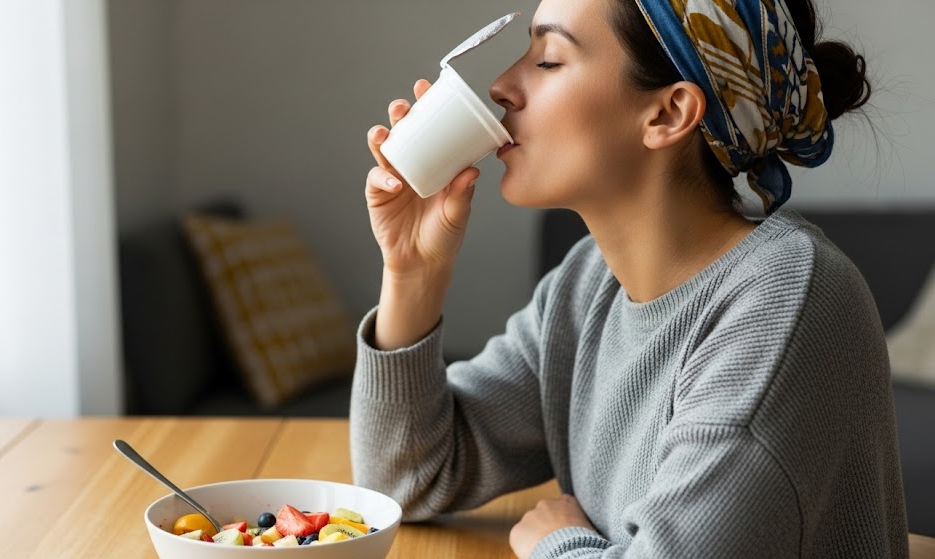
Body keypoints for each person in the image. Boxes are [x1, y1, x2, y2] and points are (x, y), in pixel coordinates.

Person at [352, 0, 908, 557]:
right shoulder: (588, 286)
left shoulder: (785, 302)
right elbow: (406, 480)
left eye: (548, 60)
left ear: (668, 114)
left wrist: (556, 543)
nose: (501, 85)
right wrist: (413, 272)